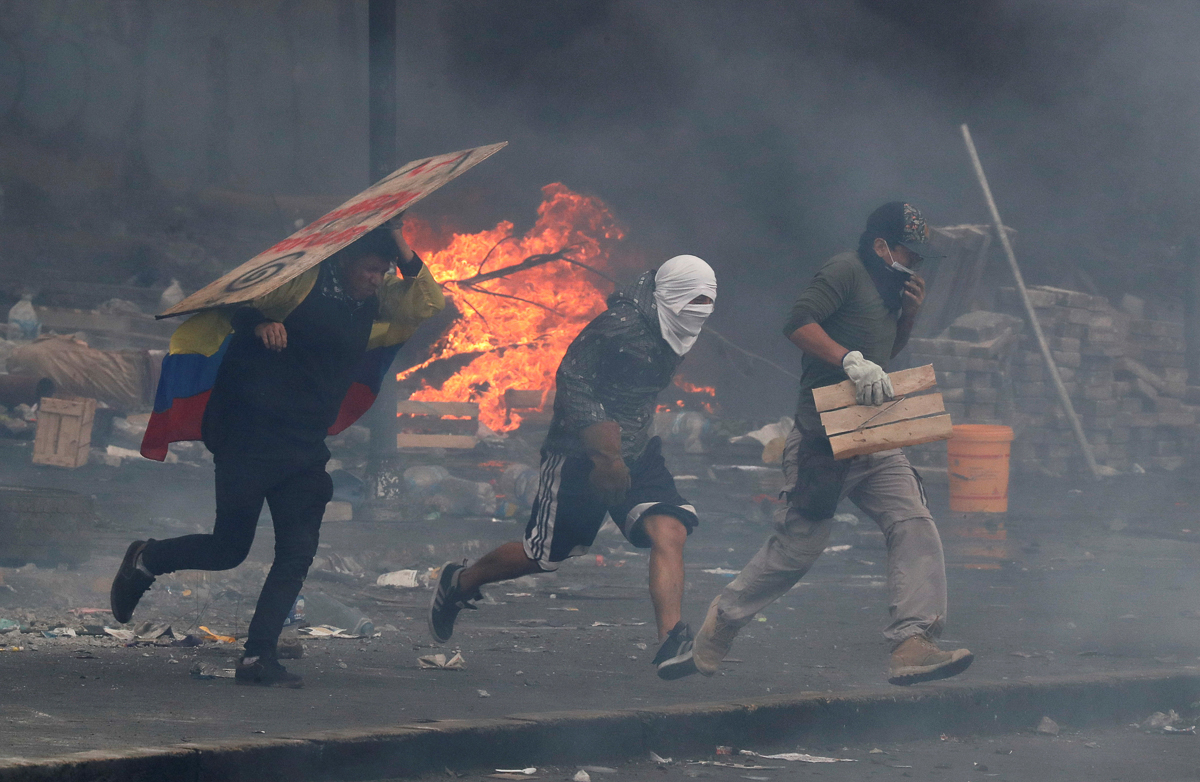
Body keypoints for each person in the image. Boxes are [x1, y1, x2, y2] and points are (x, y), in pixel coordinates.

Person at [110, 221, 445, 688]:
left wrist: (399, 245)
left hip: (305, 444)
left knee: (297, 552)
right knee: (230, 548)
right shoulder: (301, 279)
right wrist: (262, 322)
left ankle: (257, 656)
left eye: (383, 270)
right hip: (249, 433)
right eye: (370, 268)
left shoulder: (376, 298)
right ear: (346, 261)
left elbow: (430, 302)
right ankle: (146, 559)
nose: (376, 278)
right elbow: (238, 306)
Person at [686, 202, 974, 686]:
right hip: (823, 433)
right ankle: (724, 620)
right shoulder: (846, 269)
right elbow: (797, 323)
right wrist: (849, 361)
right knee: (799, 547)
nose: (916, 264)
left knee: (913, 521)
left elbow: (884, 356)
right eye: (910, 253)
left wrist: (907, 317)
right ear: (882, 246)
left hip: (874, 431)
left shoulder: (891, 290)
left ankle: (911, 643)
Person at [427, 255, 717, 680]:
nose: (701, 312)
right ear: (669, 295)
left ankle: (671, 641)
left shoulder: (675, 328)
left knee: (670, 529)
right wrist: (606, 455)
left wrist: (626, 452)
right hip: (579, 455)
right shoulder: (619, 324)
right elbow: (574, 380)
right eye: (694, 301)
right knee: (542, 556)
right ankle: (462, 581)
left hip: (639, 451)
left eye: (707, 303)